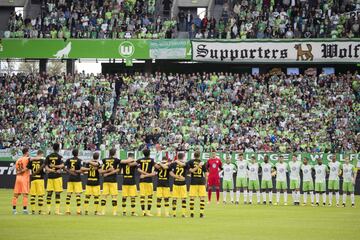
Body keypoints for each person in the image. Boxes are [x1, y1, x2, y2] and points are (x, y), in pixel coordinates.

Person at [100, 148, 135, 215]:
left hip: (106, 180)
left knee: (104, 196)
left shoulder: (104, 160)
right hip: (113, 180)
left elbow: (100, 169)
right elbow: (125, 162)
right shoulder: (116, 160)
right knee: (114, 196)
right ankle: (114, 212)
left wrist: (106, 172)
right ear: (115, 153)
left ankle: (103, 211)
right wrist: (133, 159)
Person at [45, 143, 64, 215]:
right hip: (57, 177)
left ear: (53, 148)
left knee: (49, 193)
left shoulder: (48, 156)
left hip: (50, 177)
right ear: (58, 148)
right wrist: (56, 168)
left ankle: (48, 210)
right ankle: (57, 211)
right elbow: (62, 165)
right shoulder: (59, 156)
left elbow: (46, 167)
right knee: (57, 193)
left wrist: (51, 170)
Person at [188, 151, 207, 218]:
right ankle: (201, 214)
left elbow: (191, 171)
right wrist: (206, 182)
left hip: (194, 181)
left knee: (192, 198)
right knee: (202, 198)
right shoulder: (202, 162)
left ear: (194, 155)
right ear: (199, 156)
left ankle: (192, 213)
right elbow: (206, 174)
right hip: (201, 181)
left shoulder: (190, 162)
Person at [137, 148, 156, 216]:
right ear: (149, 153)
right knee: (149, 196)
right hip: (149, 180)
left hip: (142, 180)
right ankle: (148, 212)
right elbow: (155, 170)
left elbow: (138, 168)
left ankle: (143, 212)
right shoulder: (151, 160)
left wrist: (144, 174)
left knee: (142, 196)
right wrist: (147, 175)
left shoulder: (140, 160)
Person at [12, 147, 31, 214]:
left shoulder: (18, 160)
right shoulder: (27, 159)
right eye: (28, 152)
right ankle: (24, 210)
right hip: (24, 178)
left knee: (16, 195)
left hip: (18, 178)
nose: (29, 153)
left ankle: (14, 210)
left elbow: (17, 170)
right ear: (26, 152)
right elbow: (31, 162)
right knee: (25, 194)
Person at [64, 149, 83, 215]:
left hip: (70, 179)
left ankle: (67, 210)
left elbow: (64, 167)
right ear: (77, 153)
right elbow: (81, 170)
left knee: (69, 195)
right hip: (77, 179)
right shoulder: (79, 160)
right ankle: (78, 211)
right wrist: (75, 171)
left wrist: (69, 171)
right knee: (78, 195)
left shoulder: (68, 160)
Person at [169, 152, 188, 217]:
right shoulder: (186, 163)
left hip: (175, 183)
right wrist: (180, 177)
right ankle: (183, 214)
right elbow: (186, 168)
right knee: (183, 199)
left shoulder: (173, 163)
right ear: (183, 157)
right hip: (183, 184)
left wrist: (176, 177)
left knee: (174, 198)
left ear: (177, 156)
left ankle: (174, 213)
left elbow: (170, 173)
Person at [27, 150, 46, 215]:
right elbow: (45, 169)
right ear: (41, 154)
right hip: (40, 179)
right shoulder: (42, 160)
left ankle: (32, 211)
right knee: (40, 195)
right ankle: (40, 211)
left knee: (33, 195)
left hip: (33, 179)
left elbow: (28, 168)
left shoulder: (32, 160)